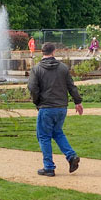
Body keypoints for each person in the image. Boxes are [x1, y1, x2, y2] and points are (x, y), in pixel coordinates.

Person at [27, 42, 83, 176]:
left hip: (46, 107)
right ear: (54, 52)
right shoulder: (63, 68)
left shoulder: (37, 69)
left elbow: (32, 88)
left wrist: (37, 102)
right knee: (57, 132)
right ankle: (71, 156)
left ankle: (49, 167)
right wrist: (77, 101)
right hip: (61, 107)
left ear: (42, 52)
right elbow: (71, 86)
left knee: (44, 136)